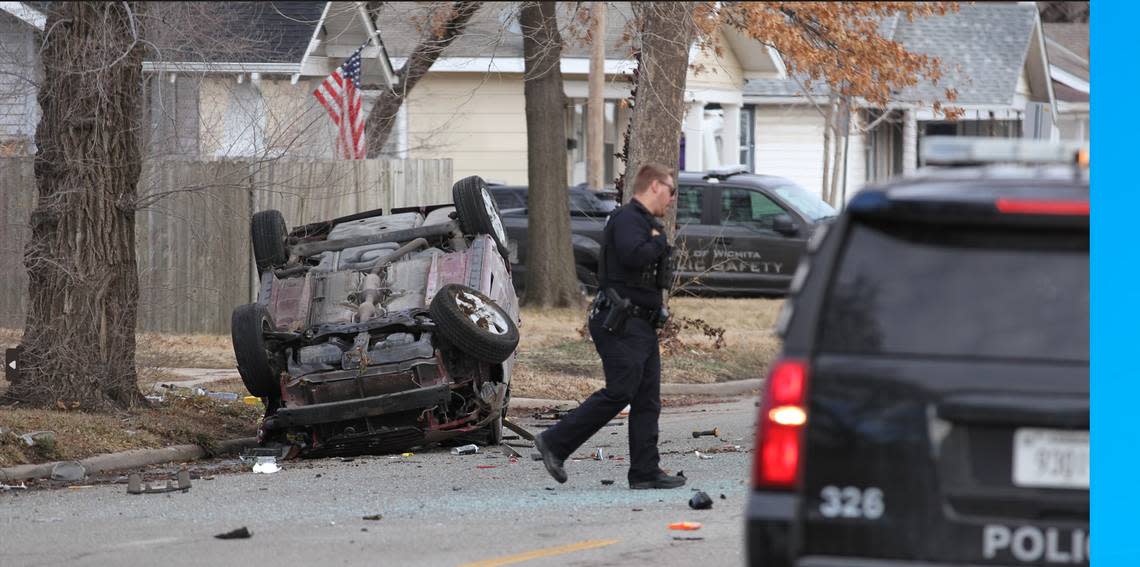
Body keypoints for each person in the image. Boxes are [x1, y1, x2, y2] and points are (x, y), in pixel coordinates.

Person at [534, 163, 685, 489]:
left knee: (647, 400)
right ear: (656, 186)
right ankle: (554, 443)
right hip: (620, 322)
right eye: (671, 191)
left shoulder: (646, 223)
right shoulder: (627, 219)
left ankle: (645, 472)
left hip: (641, 325)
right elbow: (633, 255)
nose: (671, 200)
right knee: (620, 392)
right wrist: (659, 243)